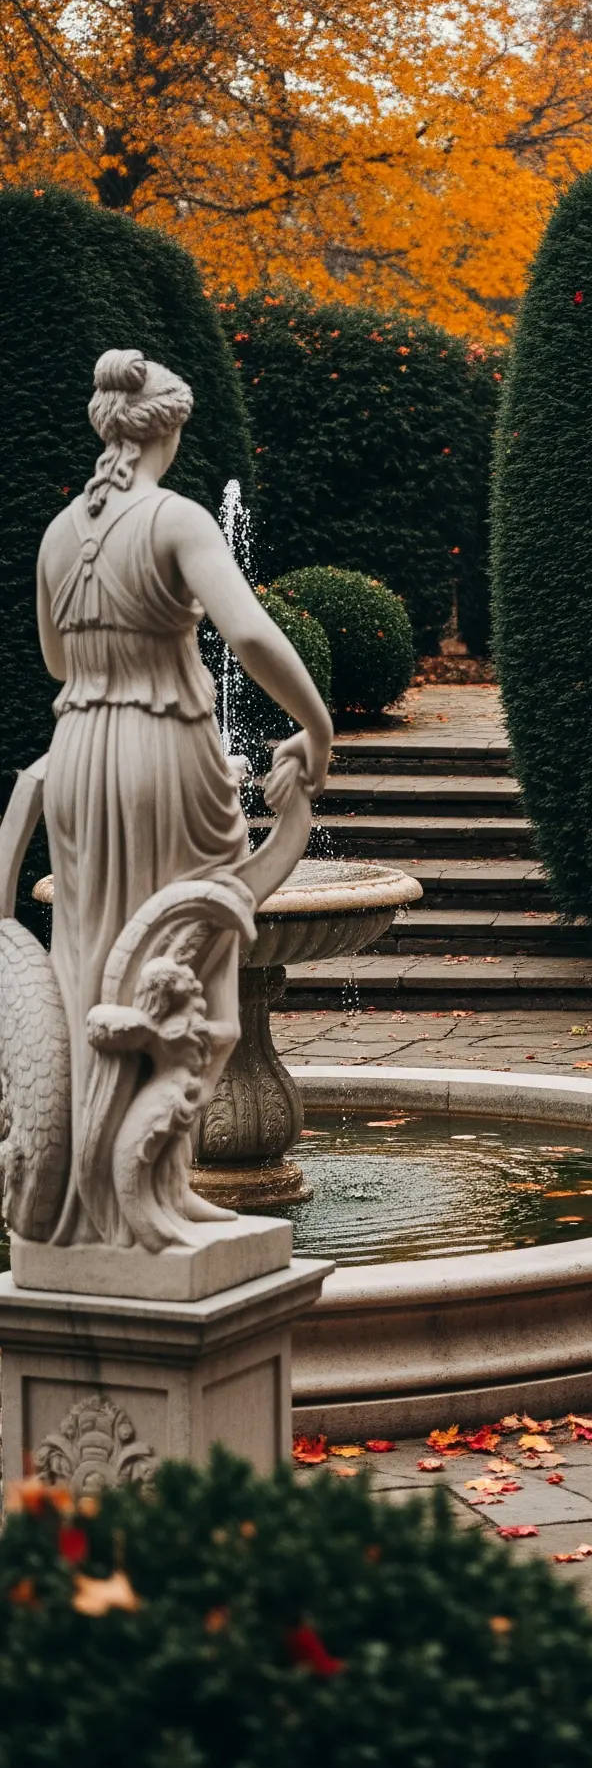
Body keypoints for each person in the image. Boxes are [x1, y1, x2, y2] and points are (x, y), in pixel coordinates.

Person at [35, 347, 332, 1237]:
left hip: (78, 754)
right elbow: (247, 632)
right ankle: (149, 1193)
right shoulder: (177, 519)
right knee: (193, 960)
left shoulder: (60, 533)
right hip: (160, 751)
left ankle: (109, 1198)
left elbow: (56, 660)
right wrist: (315, 726)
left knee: (91, 972)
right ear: (171, 426)